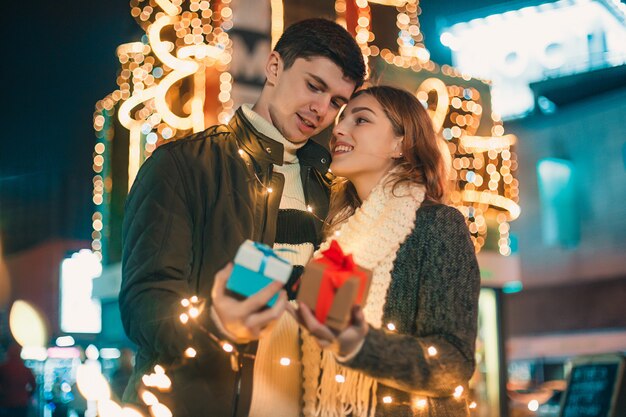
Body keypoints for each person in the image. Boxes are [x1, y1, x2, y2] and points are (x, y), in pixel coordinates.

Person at [119, 18, 365, 417]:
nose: (321, 109)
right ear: (273, 67)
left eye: (337, 101)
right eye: (314, 86)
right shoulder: (182, 165)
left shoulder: (332, 188)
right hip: (194, 402)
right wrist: (215, 324)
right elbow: (144, 302)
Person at [296, 86, 481, 417]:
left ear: (401, 143)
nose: (338, 128)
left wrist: (360, 345)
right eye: (340, 119)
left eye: (361, 120)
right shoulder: (337, 241)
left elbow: (453, 364)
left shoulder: (437, 225)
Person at [0, 343, 36, 417]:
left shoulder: (3, 368)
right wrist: (28, 395)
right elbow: (33, 384)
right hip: (21, 403)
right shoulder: (25, 369)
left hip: (6, 403)